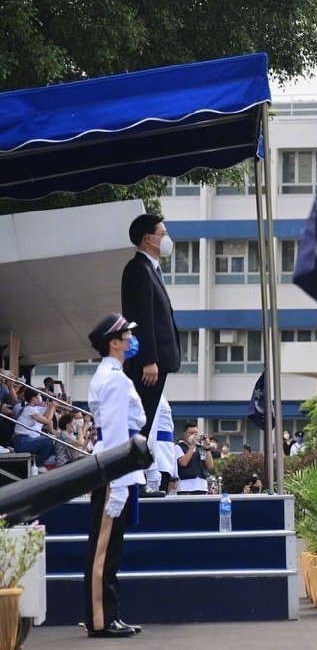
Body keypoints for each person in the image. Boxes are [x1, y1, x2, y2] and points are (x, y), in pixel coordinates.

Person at [83, 312, 145, 638]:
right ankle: (100, 618)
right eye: (127, 335)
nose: (132, 340)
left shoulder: (113, 375)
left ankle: (109, 614)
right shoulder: (114, 379)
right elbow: (119, 433)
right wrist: (120, 483)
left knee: (111, 550)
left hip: (117, 469)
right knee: (103, 550)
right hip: (114, 470)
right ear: (114, 342)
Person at [121, 213, 181, 438]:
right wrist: (148, 359)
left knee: (145, 421)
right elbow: (141, 318)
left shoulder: (151, 269)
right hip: (149, 364)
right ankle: (129, 468)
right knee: (140, 423)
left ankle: (135, 467)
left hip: (158, 360)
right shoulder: (138, 268)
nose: (167, 239)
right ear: (148, 238)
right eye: (162, 234)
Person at [13, 388, 58, 470]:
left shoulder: (30, 409)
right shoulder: (29, 410)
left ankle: (42, 463)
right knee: (48, 442)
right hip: (21, 441)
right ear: (33, 398)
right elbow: (47, 421)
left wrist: (49, 406)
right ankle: (39, 465)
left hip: (25, 439)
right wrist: (52, 407)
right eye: (38, 396)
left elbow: (44, 418)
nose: (39, 398)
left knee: (53, 444)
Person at [143, 396, 175, 495]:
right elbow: (150, 430)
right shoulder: (154, 395)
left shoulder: (162, 396)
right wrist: (152, 467)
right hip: (158, 458)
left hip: (165, 456)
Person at [174, 422, 215, 495]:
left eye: (196, 433)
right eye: (191, 433)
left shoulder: (200, 448)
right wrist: (192, 446)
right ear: (184, 434)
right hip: (185, 487)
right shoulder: (178, 447)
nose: (194, 435)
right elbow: (183, 463)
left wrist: (207, 449)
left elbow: (210, 465)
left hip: (202, 486)